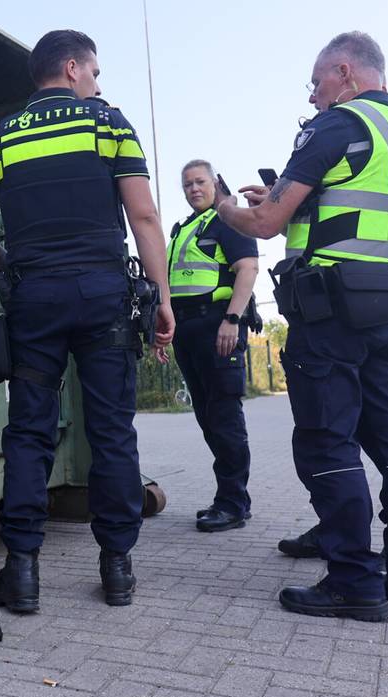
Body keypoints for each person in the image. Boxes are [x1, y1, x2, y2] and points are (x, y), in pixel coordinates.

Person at [213, 31, 388, 622]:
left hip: (331, 314)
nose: (313, 97)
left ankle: (353, 580)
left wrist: (221, 206)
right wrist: (297, 200)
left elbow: (264, 224)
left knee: (326, 441)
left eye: (316, 84)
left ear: (344, 72)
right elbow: (365, 212)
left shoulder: (337, 126)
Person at [0, 29, 174, 612]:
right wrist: (162, 299)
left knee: (29, 432)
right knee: (111, 430)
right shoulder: (107, 124)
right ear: (73, 68)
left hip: (36, 301)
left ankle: (22, 573)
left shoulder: (0, 137)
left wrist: (11, 268)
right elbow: (146, 217)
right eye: (95, 72)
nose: (98, 83)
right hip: (104, 295)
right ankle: (118, 569)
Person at [163, 160, 259, 532]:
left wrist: (232, 321)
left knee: (224, 418)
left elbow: (247, 269)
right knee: (208, 417)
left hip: (218, 326)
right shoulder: (184, 228)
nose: (193, 190)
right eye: (187, 185)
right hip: (188, 329)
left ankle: (234, 503)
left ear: (215, 182)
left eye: (200, 182)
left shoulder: (228, 219)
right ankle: (229, 497)